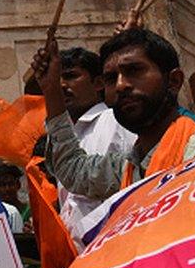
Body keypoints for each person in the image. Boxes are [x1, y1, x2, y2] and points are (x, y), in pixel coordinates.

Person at [34, 29, 195, 202]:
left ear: (174, 81)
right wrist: (51, 90)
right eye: (111, 78)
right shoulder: (127, 169)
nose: (120, 85)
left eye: (134, 71)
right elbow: (72, 170)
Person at [52, 48, 135, 230]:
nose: (62, 85)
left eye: (71, 76)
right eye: (57, 79)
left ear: (98, 83)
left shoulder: (115, 122)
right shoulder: (69, 135)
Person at [0, 164, 26, 233]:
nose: (7, 189)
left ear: (18, 185)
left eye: (11, 184)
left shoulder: (29, 212)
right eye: (3, 185)